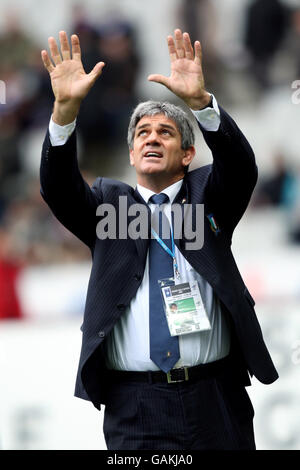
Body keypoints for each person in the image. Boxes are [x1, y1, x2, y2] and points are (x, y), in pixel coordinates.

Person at [40, 29, 278, 450]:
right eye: (143, 133)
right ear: (132, 154)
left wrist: (202, 106)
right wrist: (64, 112)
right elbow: (58, 188)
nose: (151, 137)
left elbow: (241, 169)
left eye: (165, 132)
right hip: (135, 406)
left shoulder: (209, 199)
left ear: (187, 154)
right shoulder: (109, 209)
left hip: (215, 398)